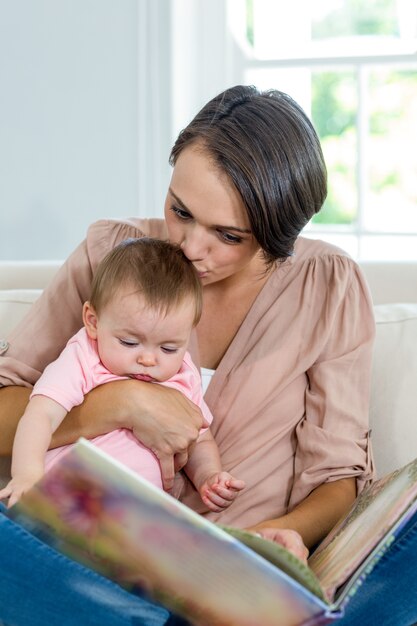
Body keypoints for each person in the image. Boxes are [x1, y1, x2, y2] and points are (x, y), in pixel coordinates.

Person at [1, 84, 412, 625]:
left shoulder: (326, 286)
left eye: (228, 235)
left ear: (279, 234)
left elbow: (336, 475)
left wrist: (285, 534)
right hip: (95, 565)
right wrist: (119, 403)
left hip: (240, 577)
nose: (191, 247)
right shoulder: (111, 256)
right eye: (180, 211)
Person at [0, 237, 244, 511]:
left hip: (130, 517)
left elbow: (199, 437)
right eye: (129, 343)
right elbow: (40, 415)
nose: (148, 359)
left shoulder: (183, 374)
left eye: (168, 347)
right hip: (63, 498)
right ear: (93, 322)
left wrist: (208, 477)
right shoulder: (85, 357)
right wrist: (28, 475)